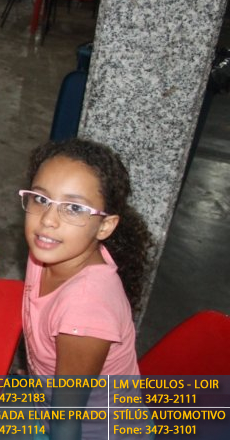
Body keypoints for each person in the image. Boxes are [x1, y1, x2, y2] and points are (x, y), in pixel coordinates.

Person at [18, 138, 153, 439]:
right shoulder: (49, 250)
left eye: (74, 208)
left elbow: (66, 423)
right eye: (41, 199)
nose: (48, 220)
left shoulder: (84, 310)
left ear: (105, 226)